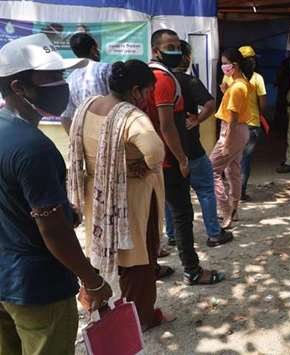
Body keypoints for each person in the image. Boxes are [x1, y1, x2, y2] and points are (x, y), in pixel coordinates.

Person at [0, 33, 112, 355]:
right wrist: (92, 281)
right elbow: (53, 231)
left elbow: (15, 200)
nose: (61, 85)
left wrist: (64, 209)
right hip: (38, 288)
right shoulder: (35, 148)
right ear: (19, 87)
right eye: (52, 78)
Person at [68, 60, 175, 330]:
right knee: (139, 260)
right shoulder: (131, 115)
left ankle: (108, 307)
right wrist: (139, 166)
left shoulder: (88, 105)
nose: (149, 97)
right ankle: (143, 317)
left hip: (98, 193)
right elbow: (155, 151)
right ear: (136, 90)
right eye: (148, 91)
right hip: (131, 198)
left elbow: (71, 130)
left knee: (110, 251)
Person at [145, 29, 225, 286]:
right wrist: (181, 159)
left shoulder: (148, 76)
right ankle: (192, 269)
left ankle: (153, 264)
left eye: (178, 46)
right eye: (170, 46)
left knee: (157, 211)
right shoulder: (166, 80)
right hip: (171, 158)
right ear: (156, 50)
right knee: (185, 210)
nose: (176, 51)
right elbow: (167, 125)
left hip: (151, 157)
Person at [164, 40, 233, 248]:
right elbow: (210, 103)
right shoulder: (189, 81)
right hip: (191, 150)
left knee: (172, 196)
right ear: (185, 58)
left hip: (168, 152)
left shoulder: (160, 81)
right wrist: (197, 120)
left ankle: (174, 235)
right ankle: (214, 233)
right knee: (205, 190)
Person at [210, 48, 252, 228]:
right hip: (240, 131)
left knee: (211, 170)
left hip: (232, 131)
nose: (223, 66)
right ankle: (234, 209)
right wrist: (225, 90)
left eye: (225, 63)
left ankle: (226, 211)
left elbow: (233, 118)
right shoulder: (240, 83)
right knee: (232, 170)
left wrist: (226, 142)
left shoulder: (237, 87)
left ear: (234, 65)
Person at [221, 45, 268, 201]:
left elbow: (225, 97)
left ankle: (232, 193)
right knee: (245, 159)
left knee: (231, 159)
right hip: (252, 123)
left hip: (232, 123)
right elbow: (263, 104)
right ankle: (240, 192)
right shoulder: (257, 78)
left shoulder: (229, 77)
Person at [60, 32, 112, 133]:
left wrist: (75, 141)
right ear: (93, 49)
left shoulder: (70, 79)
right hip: (109, 132)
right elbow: (119, 101)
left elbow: (65, 117)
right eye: (97, 49)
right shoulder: (105, 69)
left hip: (86, 135)